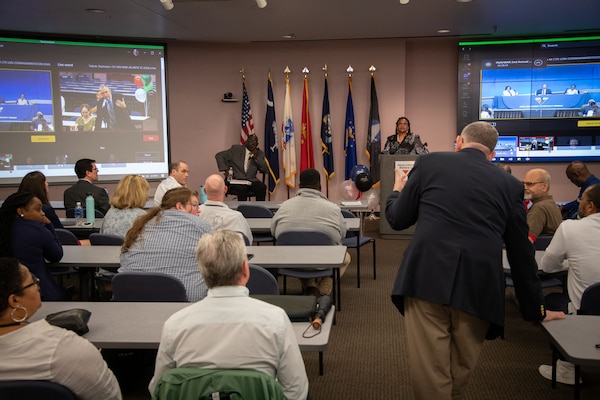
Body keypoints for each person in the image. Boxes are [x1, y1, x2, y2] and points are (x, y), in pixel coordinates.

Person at [384, 121, 564, 399]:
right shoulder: (510, 185)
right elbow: (521, 255)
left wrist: (396, 191)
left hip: (425, 279)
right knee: (459, 373)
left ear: (458, 142)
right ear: (492, 154)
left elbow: (397, 219)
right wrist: (534, 310)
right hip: (479, 288)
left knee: (432, 375)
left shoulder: (430, 163)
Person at [148, 230, 309, 399]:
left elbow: (159, 389)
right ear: (245, 270)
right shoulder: (275, 320)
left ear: (202, 273)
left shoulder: (175, 324)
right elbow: (296, 391)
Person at [0, 258, 122, 400]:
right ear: (14, 301)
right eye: (32, 282)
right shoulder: (64, 350)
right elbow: (110, 396)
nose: (37, 283)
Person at [538, 184, 600, 385]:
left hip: (585, 312)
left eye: (581, 199)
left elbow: (547, 266)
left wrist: (569, 262)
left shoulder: (571, 227)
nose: (578, 203)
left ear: (590, 206)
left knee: (550, 300)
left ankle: (566, 368)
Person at [120, 187, 212, 302]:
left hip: (131, 298)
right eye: (194, 205)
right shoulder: (200, 225)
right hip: (185, 302)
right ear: (180, 206)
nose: (198, 211)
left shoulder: (140, 226)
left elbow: (123, 259)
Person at [271, 168, 350, 297]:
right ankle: (324, 290)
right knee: (345, 257)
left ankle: (310, 287)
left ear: (299, 186)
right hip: (324, 260)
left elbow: (274, 231)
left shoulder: (284, 206)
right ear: (319, 186)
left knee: (299, 251)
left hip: (291, 260)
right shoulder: (333, 209)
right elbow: (342, 235)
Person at [0, 192, 67, 301]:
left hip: (5, 293)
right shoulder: (37, 230)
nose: (43, 214)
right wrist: (49, 225)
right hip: (37, 292)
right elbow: (56, 255)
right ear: (21, 211)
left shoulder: (4, 228)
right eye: (38, 210)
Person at [198, 173, 253, 244]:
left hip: (202, 254)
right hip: (230, 254)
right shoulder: (236, 217)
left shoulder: (194, 215)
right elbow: (248, 241)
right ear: (225, 189)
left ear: (205, 191)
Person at [215, 134, 268, 201]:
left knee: (262, 187)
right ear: (246, 142)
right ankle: (242, 210)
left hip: (251, 180)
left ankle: (260, 209)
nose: (252, 144)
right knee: (242, 189)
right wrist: (225, 169)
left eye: (255, 143)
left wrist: (256, 158)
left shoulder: (259, 153)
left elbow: (265, 170)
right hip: (237, 180)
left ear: (257, 144)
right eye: (251, 142)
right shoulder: (236, 150)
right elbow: (219, 156)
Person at [522, 168, 562, 243]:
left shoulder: (539, 208)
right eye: (524, 184)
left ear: (544, 187)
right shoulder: (551, 204)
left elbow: (526, 242)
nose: (525, 188)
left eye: (530, 184)